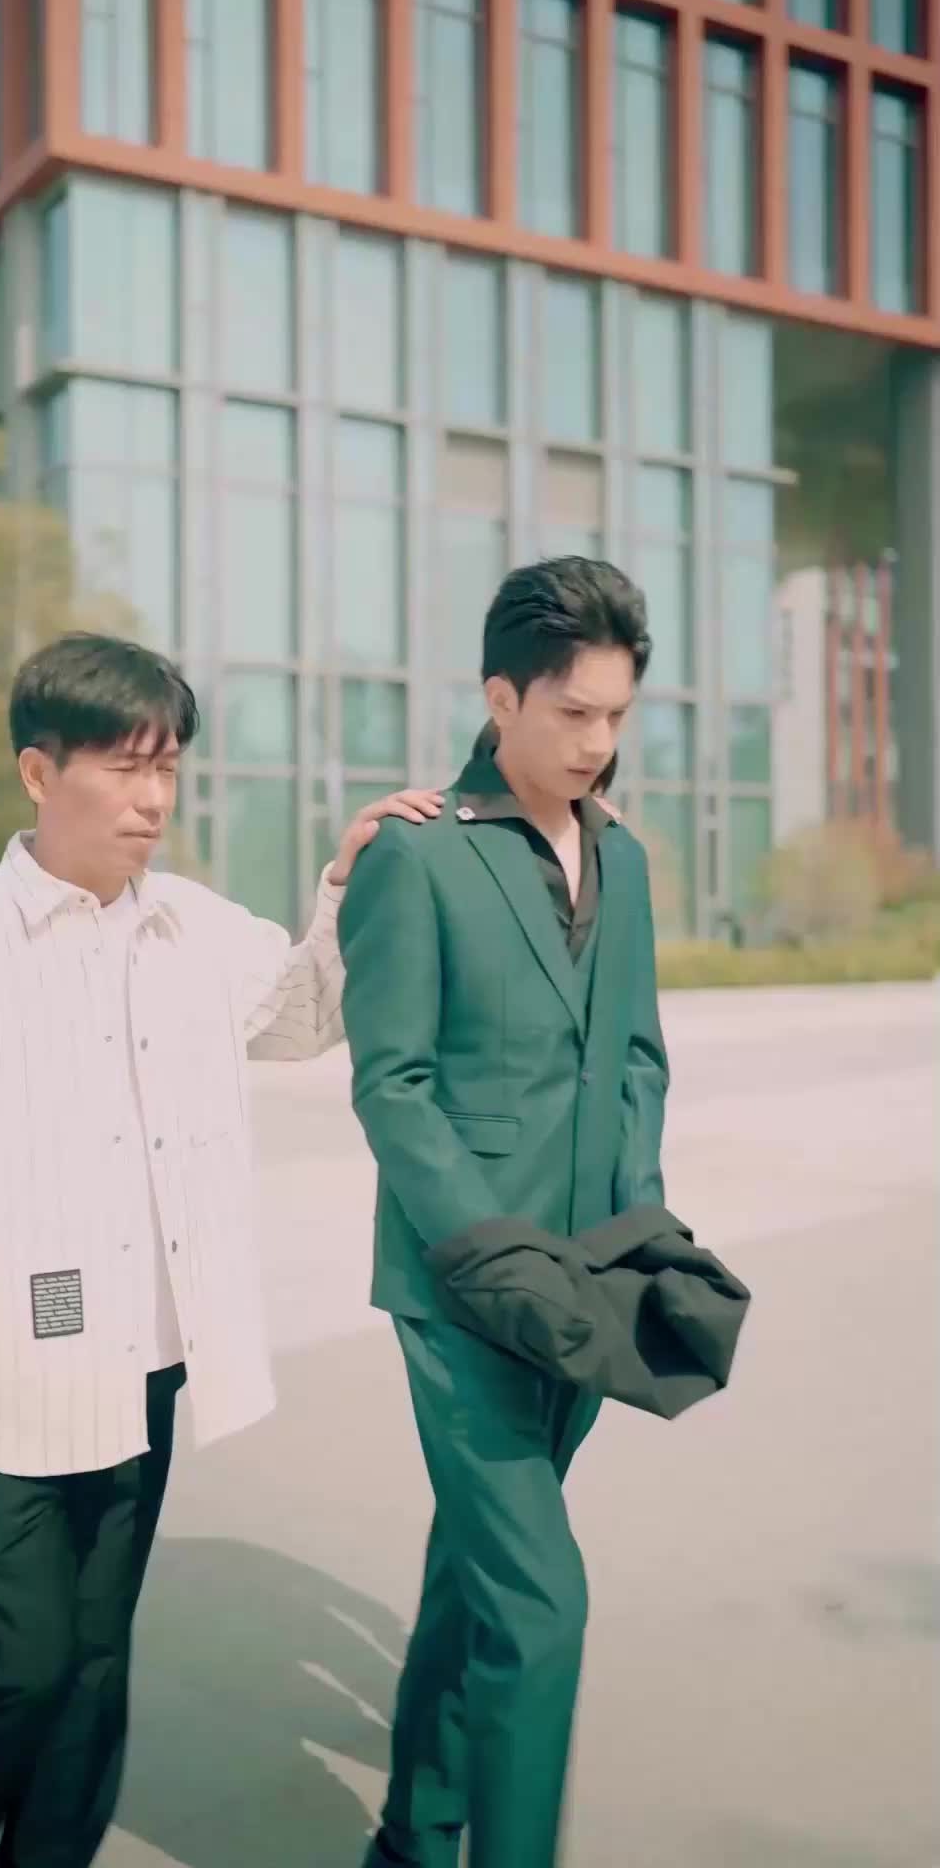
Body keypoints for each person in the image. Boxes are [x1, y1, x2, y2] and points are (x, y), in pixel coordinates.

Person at [0, 631, 442, 1868]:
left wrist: (348, 882)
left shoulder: (194, 929)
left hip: (141, 1367)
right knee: (20, 1663)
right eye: (125, 768)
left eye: (166, 767)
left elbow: (303, 1017)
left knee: (94, 1660)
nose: (152, 799)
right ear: (37, 772)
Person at [338, 557, 669, 1868]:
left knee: (472, 1577)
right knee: (540, 1608)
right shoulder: (416, 856)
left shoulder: (625, 859)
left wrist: (642, 1232)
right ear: (500, 697)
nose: (598, 741)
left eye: (618, 715)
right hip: (462, 1288)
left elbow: (634, 1058)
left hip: (590, 1290)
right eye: (575, 712)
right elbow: (393, 1084)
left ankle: (413, 1840)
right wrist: (490, 1253)